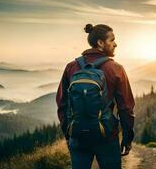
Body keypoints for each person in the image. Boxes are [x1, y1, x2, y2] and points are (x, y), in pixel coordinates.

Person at [56, 24, 135, 169]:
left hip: (78, 137)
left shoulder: (71, 67)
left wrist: (69, 134)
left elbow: (62, 103)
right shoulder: (116, 69)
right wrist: (127, 138)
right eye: (112, 40)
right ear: (100, 43)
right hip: (107, 137)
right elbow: (126, 108)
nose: (115, 44)